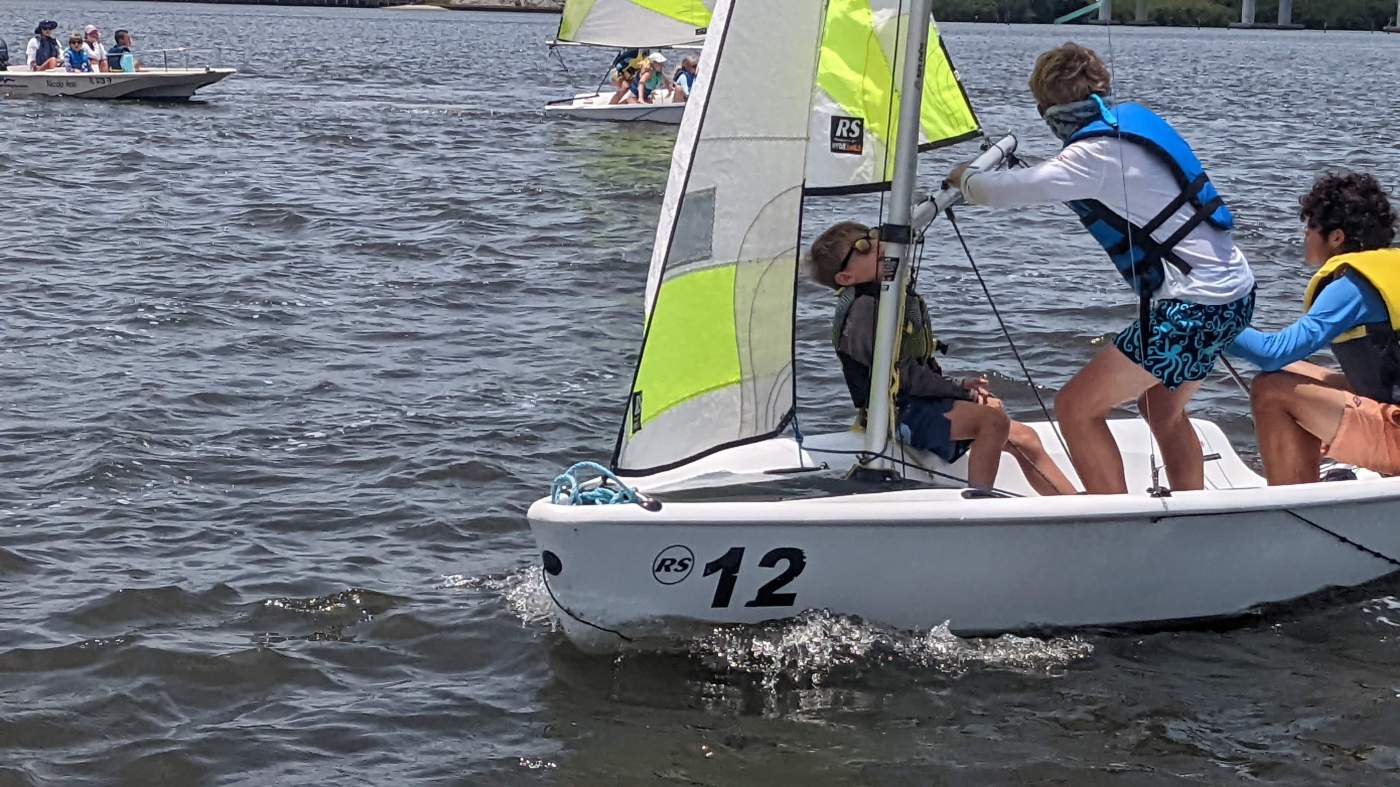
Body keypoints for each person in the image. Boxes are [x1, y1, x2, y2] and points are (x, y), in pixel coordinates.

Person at [946, 42, 1255, 495]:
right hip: (1235, 292)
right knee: (1160, 407)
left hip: (1195, 307)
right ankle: (1192, 507)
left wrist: (964, 178)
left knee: (1075, 407)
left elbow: (1000, 192)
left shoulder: (1090, 156)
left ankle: (1109, 521)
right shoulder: (1129, 122)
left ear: (1047, 109)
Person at [809, 221, 1075, 496]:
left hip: (917, 402)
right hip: (895, 415)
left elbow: (915, 369)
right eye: (862, 247)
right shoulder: (865, 310)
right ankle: (981, 504)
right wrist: (961, 392)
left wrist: (961, 386)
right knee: (991, 421)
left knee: (1025, 438)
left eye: (873, 237)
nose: (876, 245)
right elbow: (902, 377)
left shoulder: (888, 298)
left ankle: (1075, 510)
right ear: (845, 278)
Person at [1229, 173, 1400, 484]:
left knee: (1270, 390)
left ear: (1336, 237)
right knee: (1295, 370)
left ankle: (1293, 505)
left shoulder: (1353, 286)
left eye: (1309, 228)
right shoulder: (1392, 268)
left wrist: (1208, 326)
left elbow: (1271, 352)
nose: (1304, 237)